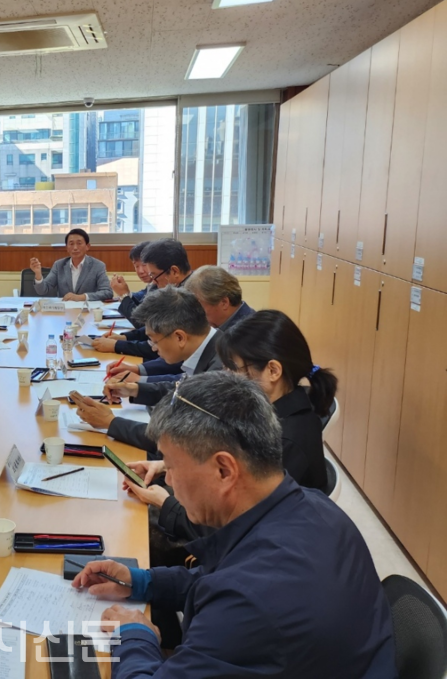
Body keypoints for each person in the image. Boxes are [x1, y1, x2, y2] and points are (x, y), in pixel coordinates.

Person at [71, 372, 395, 678]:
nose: (167, 479)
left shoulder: (252, 604)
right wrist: (143, 582)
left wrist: (136, 635)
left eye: (170, 466)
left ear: (224, 470)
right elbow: (222, 576)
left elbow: (240, 594)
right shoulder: (308, 505)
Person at [123, 311, 336, 543]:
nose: (226, 377)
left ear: (273, 371)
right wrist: (169, 465)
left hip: (243, 546)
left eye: (233, 368)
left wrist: (165, 503)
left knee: (134, 530)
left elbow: (233, 529)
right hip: (223, 523)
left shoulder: (287, 441)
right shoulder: (265, 411)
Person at [72, 287, 221, 454]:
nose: (153, 348)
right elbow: (184, 389)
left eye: (153, 340)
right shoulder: (212, 347)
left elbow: (183, 441)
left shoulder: (221, 371)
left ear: (179, 337)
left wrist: (111, 423)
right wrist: (134, 389)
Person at [112, 266, 256, 384]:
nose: (192, 311)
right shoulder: (218, 322)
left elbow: (198, 382)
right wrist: (139, 371)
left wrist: (141, 380)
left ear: (223, 302)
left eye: (198, 305)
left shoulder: (243, 337)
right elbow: (187, 358)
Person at [92, 239, 191, 355]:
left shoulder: (187, 297)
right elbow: (155, 327)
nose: (153, 281)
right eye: (136, 266)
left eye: (153, 275)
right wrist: (124, 338)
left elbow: (160, 345)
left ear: (174, 271)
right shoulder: (174, 287)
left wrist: (117, 346)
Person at [30, 229, 113, 301]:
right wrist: (38, 274)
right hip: (65, 312)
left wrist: (82, 297)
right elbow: (42, 290)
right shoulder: (59, 265)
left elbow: (107, 292)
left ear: (87, 246)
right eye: (71, 244)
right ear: (67, 247)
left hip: (87, 311)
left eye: (79, 243)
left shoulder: (98, 266)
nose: (75, 247)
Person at [109, 241, 153, 322]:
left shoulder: (163, 284)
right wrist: (127, 293)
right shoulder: (152, 284)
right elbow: (143, 295)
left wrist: (124, 295)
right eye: (136, 266)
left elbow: (140, 321)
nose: (140, 271)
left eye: (144, 265)